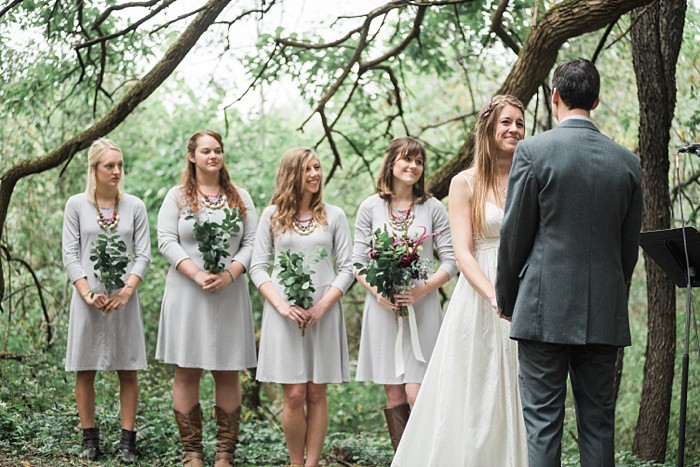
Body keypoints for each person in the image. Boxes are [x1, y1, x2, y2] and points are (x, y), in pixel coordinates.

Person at [495, 58, 643, 467]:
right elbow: (627, 251)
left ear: (554, 96)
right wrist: (612, 295)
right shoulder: (628, 163)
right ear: (596, 99)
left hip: (542, 312)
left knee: (543, 424)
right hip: (603, 313)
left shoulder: (533, 151)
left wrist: (507, 298)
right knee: (598, 425)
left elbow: (514, 237)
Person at [391, 95, 528, 466]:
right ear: (488, 127)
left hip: (524, 288)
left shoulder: (529, 176)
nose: (514, 129)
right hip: (480, 293)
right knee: (474, 388)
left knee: (517, 387)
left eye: (519, 122)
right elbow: (463, 252)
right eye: (506, 122)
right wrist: (494, 296)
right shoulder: (464, 183)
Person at [155, 130, 258, 467]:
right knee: (187, 369)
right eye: (205, 151)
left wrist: (230, 273)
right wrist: (196, 273)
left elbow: (253, 242)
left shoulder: (239, 197)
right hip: (188, 291)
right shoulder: (177, 197)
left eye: (218, 150)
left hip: (230, 293)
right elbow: (167, 240)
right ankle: (192, 452)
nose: (213, 156)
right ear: (192, 156)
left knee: (227, 370)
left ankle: (224, 454)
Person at [250, 148, 354, 467]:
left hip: (323, 312)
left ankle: (312, 464)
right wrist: (281, 306)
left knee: (315, 393)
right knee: (294, 393)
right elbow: (258, 267)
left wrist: (323, 305)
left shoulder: (333, 215)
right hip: (284, 314)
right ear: (291, 174)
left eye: (317, 168)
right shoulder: (271, 216)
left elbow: (348, 267)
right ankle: (296, 463)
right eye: (307, 169)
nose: (315, 174)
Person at [353, 136, 457, 451]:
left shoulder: (433, 207)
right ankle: (404, 459)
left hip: (422, 310)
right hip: (383, 311)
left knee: (418, 392)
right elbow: (357, 263)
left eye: (418, 161)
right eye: (406, 159)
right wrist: (379, 293)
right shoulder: (371, 207)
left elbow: (451, 261)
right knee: (395, 394)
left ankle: (428, 456)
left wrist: (422, 290)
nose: (412, 166)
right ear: (391, 163)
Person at [62, 138, 151, 463]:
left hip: (124, 300)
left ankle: (128, 441)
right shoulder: (76, 205)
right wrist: (87, 292)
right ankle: (90, 439)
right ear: (94, 169)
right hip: (87, 298)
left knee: (127, 367)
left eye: (119, 165)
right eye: (109, 166)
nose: (116, 171)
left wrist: (127, 291)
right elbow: (70, 254)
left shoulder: (135, 206)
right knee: (85, 368)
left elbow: (143, 254)